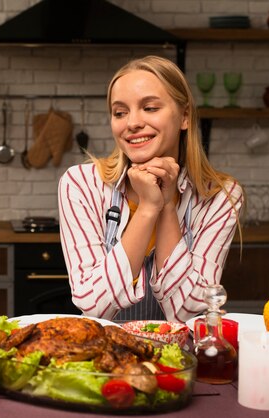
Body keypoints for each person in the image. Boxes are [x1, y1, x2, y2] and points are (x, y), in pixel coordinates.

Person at [58, 55, 243, 323]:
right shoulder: (82, 184)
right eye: (120, 113)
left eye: (150, 108)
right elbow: (94, 305)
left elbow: (187, 311)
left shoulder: (219, 196)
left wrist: (167, 205)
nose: (132, 123)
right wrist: (148, 208)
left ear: (185, 117)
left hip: (179, 360)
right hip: (107, 357)